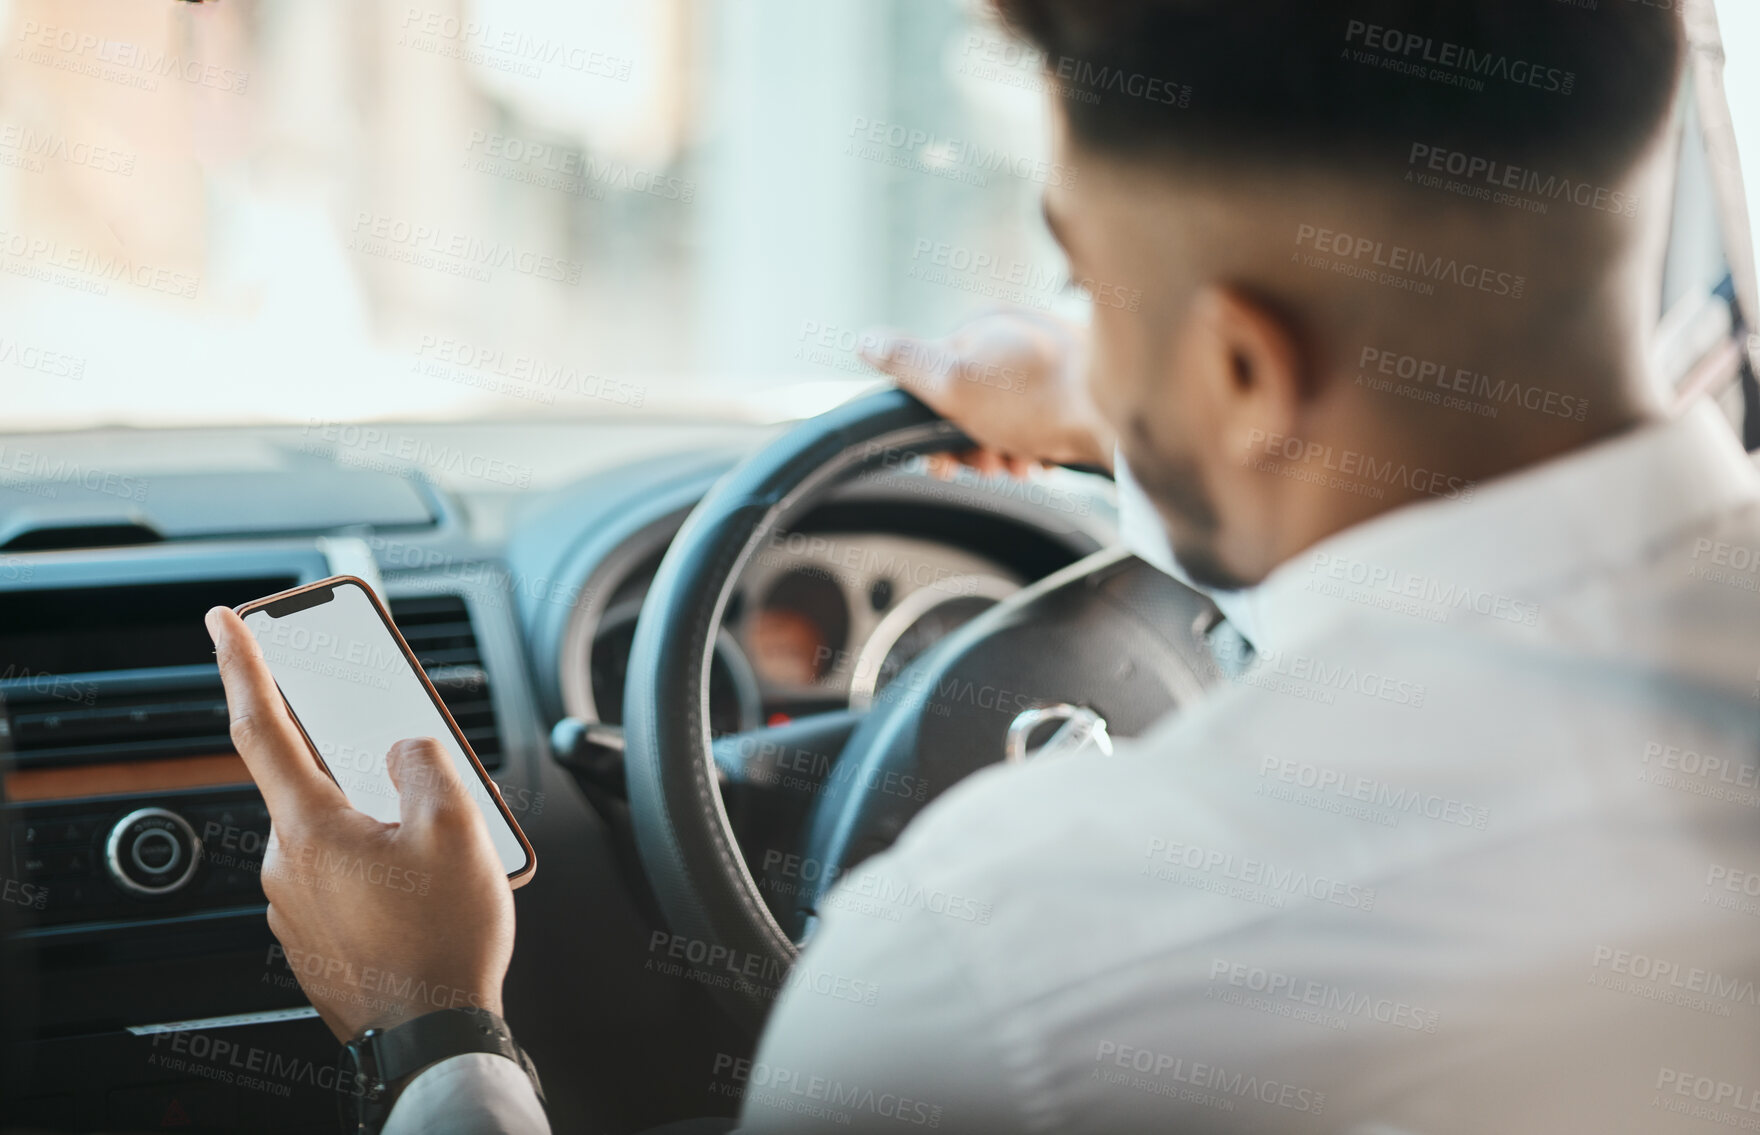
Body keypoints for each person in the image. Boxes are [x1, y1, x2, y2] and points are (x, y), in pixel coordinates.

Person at [205, 0, 1760, 1130]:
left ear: (1242, 368)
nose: (1084, 325)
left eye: (1089, 278)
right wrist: (1134, 403)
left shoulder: (1004, 961)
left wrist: (429, 1026)